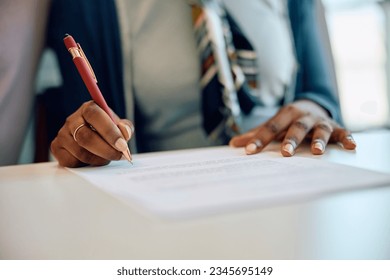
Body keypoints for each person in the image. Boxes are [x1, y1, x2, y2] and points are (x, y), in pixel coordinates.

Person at [0, 0, 356, 167]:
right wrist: (84, 140)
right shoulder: (89, 7)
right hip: (165, 197)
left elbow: (320, 93)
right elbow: (83, 120)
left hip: (284, 178)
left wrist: (313, 112)